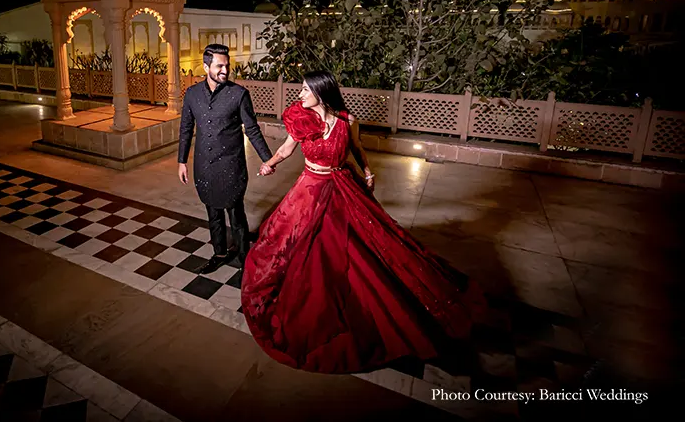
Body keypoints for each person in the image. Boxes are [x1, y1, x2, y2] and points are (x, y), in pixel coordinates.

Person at [241, 70, 487, 374]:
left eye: (305, 89)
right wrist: (269, 164)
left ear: (321, 93)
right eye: (301, 89)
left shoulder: (347, 121)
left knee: (356, 242)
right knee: (293, 241)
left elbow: (357, 149)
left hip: (341, 185)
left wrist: (368, 172)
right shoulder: (301, 119)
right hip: (308, 189)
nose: (300, 94)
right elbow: (286, 149)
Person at [178, 44, 273, 275]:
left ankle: (245, 261)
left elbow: (252, 129)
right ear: (206, 67)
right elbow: (186, 128)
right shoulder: (192, 94)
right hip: (204, 165)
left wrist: (268, 159)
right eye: (219, 66)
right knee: (213, 212)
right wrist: (182, 161)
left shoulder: (239, 94)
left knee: (236, 215)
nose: (225, 70)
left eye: (227, 66)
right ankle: (219, 253)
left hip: (231, 165)